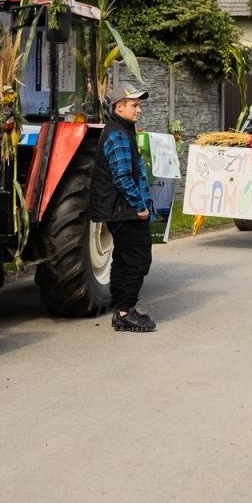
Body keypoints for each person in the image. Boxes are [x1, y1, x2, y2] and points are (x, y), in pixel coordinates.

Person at [89, 81, 156, 332]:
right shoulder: (117, 134)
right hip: (125, 210)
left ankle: (121, 310)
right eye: (134, 105)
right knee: (138, 259)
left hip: (121, 209)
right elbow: (122, 177)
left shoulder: (122, 130)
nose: (139, 110)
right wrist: (140, 206)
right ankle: (126, 312)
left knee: (123, 258)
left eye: (139, 105)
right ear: (119, 107)